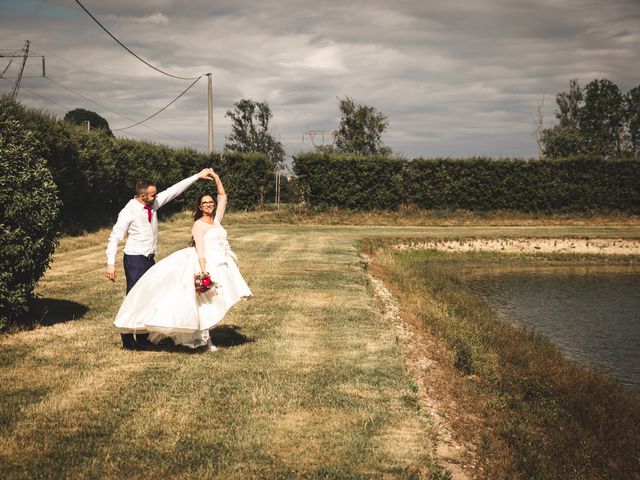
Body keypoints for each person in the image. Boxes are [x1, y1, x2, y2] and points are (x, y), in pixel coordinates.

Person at [113, 171, 252, 351]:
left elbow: (221, 197)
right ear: (200, 207)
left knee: (216, 300)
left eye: (211, 202)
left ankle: (144, 337)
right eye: (205, 203)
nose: (209, 205)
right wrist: (203, 271)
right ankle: (131, 336)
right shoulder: (199, 224)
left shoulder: (216, 220)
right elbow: (201, 249)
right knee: (200, 303)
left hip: (221, 263)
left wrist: (215, 178)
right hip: (198, 263)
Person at [106, 168, 215, 350]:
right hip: (134, 259)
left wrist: (197, 176)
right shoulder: (129, 211)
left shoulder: (153, 203)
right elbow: (115, 236)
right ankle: (127, 339)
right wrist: (110, 263)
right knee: (134, 297)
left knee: (150, 296)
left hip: (149, 259)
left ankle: (143, 337)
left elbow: (174, 191)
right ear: (142, 196)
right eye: (152, 195)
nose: (156, 197)